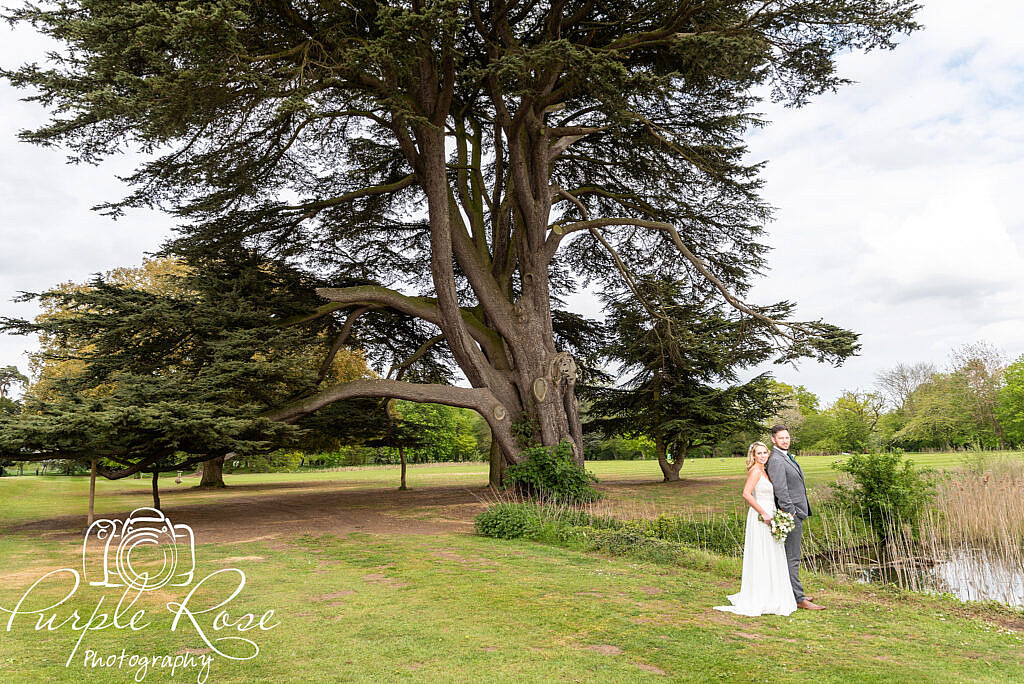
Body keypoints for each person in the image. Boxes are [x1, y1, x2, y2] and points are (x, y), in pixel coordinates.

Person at [713, 442, 797, 617]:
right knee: (762, 553)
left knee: (772, 553)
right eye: (759, 453)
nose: (763, 456)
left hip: (771, 514)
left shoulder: (765, 471)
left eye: (765, 452)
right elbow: (746, 493)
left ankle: (772, 593)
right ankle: (760, 595)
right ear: (753, 455)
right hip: (760, 516)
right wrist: (763, 513)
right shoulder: (755, 471)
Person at [765, 424, 825, 610]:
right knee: (792, 557)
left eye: (787, 437)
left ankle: (794, 592)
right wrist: (791, 511)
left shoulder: (785, 456)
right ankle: (798, 599)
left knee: (790, 556)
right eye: (781, 438)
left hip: (797, 510)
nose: (785, 440)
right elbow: (780, 489)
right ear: (773, 440)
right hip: (790, 514)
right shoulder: (776, 459)